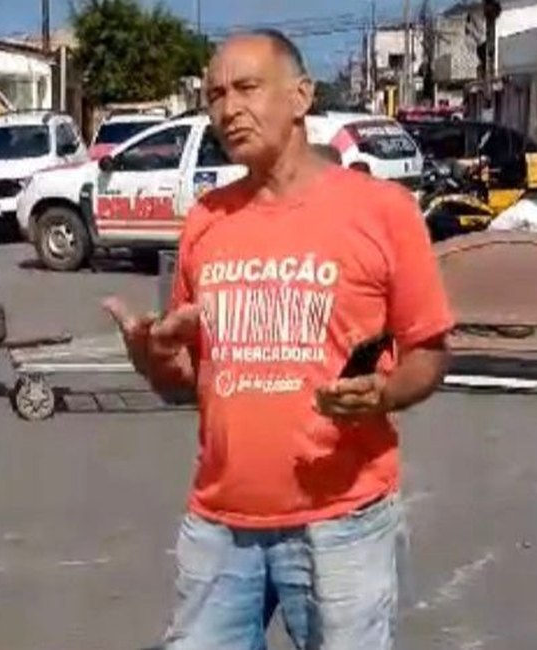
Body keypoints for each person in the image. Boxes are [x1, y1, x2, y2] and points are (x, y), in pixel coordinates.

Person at [103, 29, 454, 650]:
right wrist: (152, 359)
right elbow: (187, 380)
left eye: (246, 87)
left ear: (300, 96)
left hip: (341, 522)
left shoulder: (382, 211)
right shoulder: (207, 221)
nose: (227, 108)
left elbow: (428, 352)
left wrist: (384, 392)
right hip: (219, 523)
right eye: (215, 95)